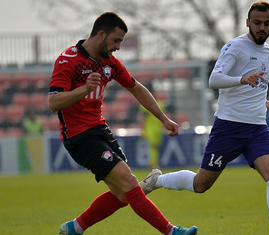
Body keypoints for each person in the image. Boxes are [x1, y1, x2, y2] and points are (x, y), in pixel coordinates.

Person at [140, 2, 269, 235]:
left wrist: (265, 103)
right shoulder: (235, 47)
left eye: (267, 23)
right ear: (248, 23)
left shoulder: (268, 52)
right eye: (257, 23)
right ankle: (157, 180)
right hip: (228, 128)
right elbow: (214, 79)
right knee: (201, 185)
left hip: (257, 128)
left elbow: (254, 89)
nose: (262, 27)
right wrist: (240, 78)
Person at [48, 12, 197, 235]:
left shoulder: (110, 63)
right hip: (79, 136)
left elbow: (136, 88)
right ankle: (172, 232)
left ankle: (74, 228)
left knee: (122, 194)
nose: (118, 47)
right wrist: (84, 89)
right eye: (116, 40)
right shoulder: (68, 60)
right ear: (101, 34)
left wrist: (163, 118)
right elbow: (53, 102)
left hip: (100, 130)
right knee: (129, 184)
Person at [139, 91, 166, 168]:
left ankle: (155, 162)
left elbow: (164, 116)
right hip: (150, 128)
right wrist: (143, 129)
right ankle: (153, 163)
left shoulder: (160, 104)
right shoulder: (145, 104)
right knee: (153, 146)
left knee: (156, 146)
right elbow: (143, 118)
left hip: (158, 128)